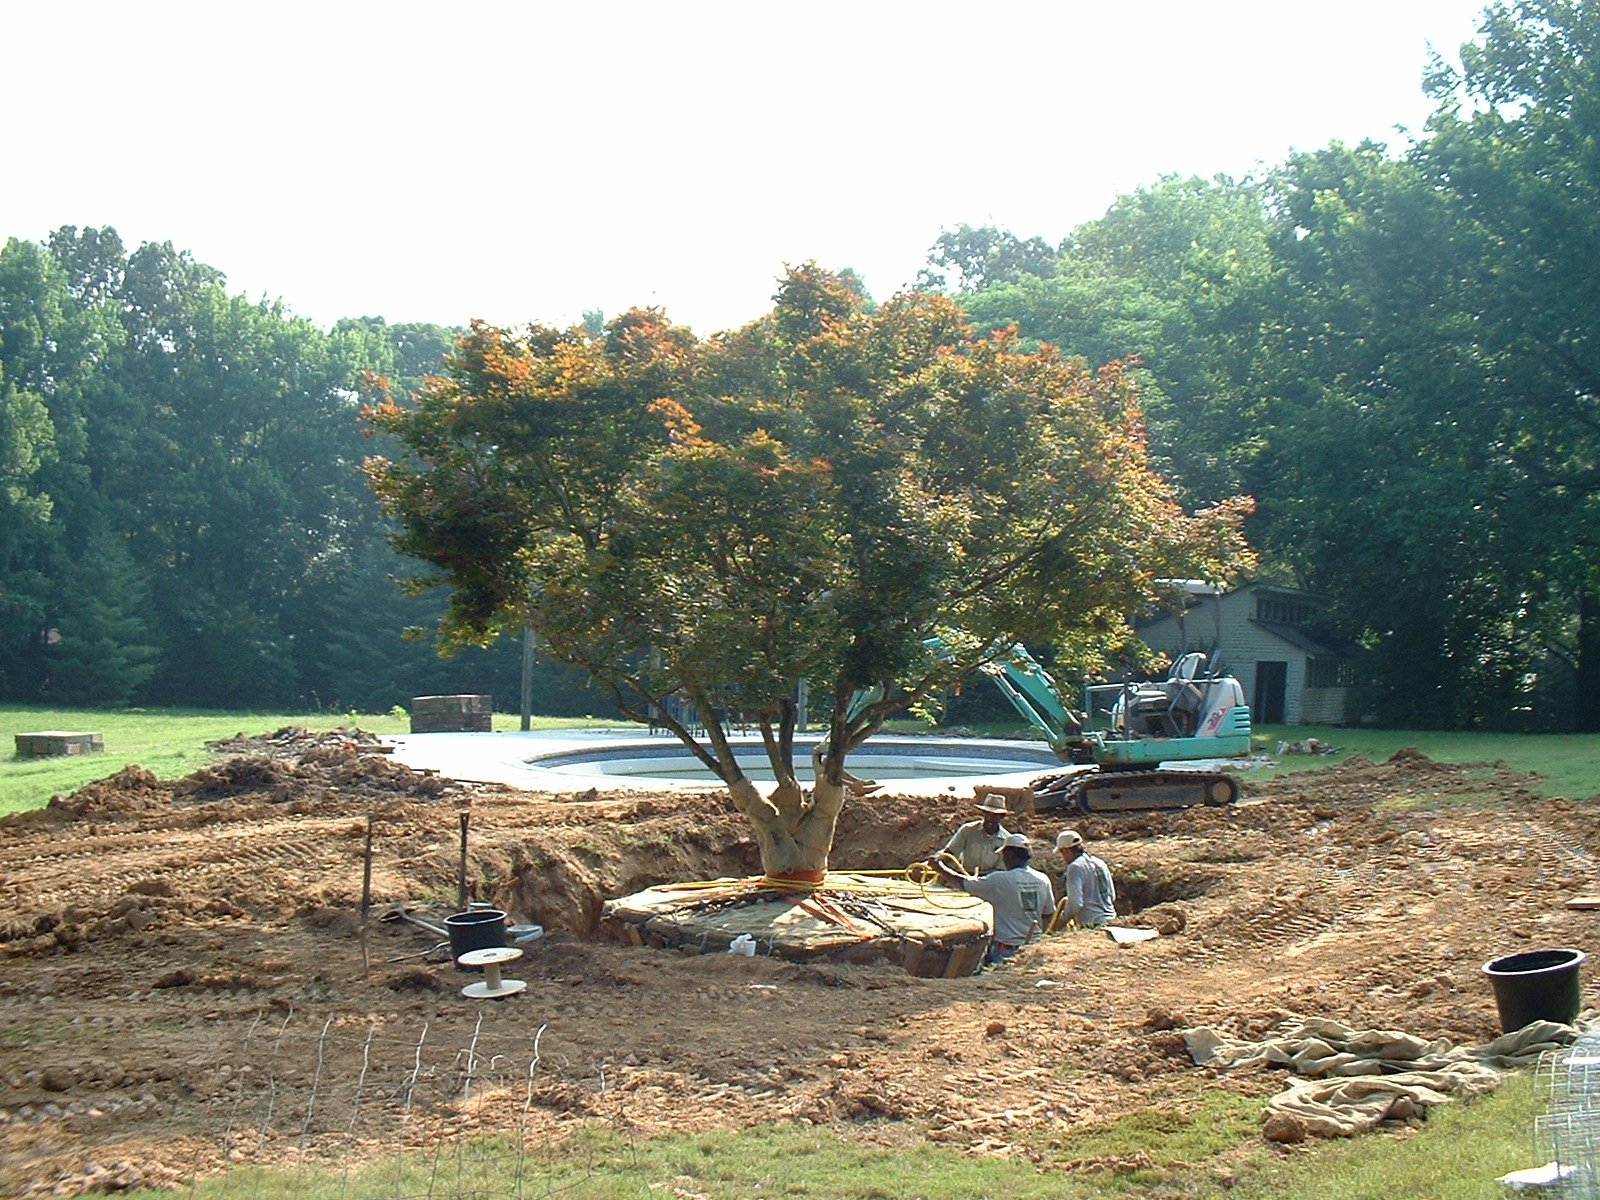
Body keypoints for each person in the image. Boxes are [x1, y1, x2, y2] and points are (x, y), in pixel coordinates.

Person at [934, 832, 1055, 964]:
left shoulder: (1000, 880)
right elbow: (1048, 913)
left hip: (1007, 949)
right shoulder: (1043, 879)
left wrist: (940, 868)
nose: (1003, 859)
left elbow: (964, 884)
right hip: (1034, 946)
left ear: (1009, 854)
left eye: (1003, 855)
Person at [1055, 829, 1116, 928]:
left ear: (1066, 850)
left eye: (1062, 853)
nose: (1063, 857)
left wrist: (1060, 922)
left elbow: (1075, 904)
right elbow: (1112, 896)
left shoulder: (1075, 867)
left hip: (1092, 924)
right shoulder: (1100, 863)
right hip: (1111, 920)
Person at [937, 796, 1012, 875]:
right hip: (965, 878)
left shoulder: (1007, 840)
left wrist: (980, 880)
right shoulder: (967, 830)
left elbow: (1001, 869)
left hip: (991, 881)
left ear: (1002, 816)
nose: (990, 818)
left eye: (995, 815)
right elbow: (950, 852)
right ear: (983, 813)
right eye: (987, 813)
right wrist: (938, 860)